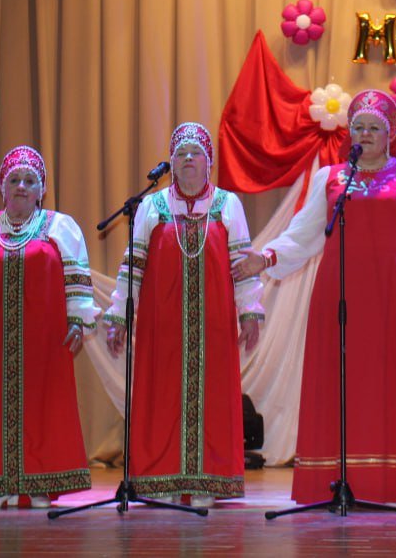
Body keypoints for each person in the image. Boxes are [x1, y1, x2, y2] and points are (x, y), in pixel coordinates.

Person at [233, 90, 396, 510]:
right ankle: (344, 480)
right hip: (341, 297)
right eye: (358, 128)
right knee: (346, 385)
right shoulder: (331, 178)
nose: (365, 134)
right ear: (349, 134)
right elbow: (303, 235)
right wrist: (266, 258)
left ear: (390, 135)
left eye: (374, 128)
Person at [104, 123, 262, 509]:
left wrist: (249, 312)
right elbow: (132, 265)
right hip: (162, 324)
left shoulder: (227, 204)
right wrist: (119, 315)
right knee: (161, 396)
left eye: (196, 153)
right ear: (171, 163)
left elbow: (242, 265)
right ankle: (161, 479)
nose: (188, 159)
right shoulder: (151, 207)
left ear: (209, 163)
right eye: (181, 154)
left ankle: (207, 480)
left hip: (213, 323)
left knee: (213, 397)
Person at [0, 146, 98, 509]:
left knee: (43, 407)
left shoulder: (60, 226)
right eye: (14, 180)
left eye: (30, 181)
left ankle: (39, 483)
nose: (22, 187)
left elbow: (76, 278)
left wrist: (78, 320)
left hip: (44, 338)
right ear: (2, 188)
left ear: (41, 190)